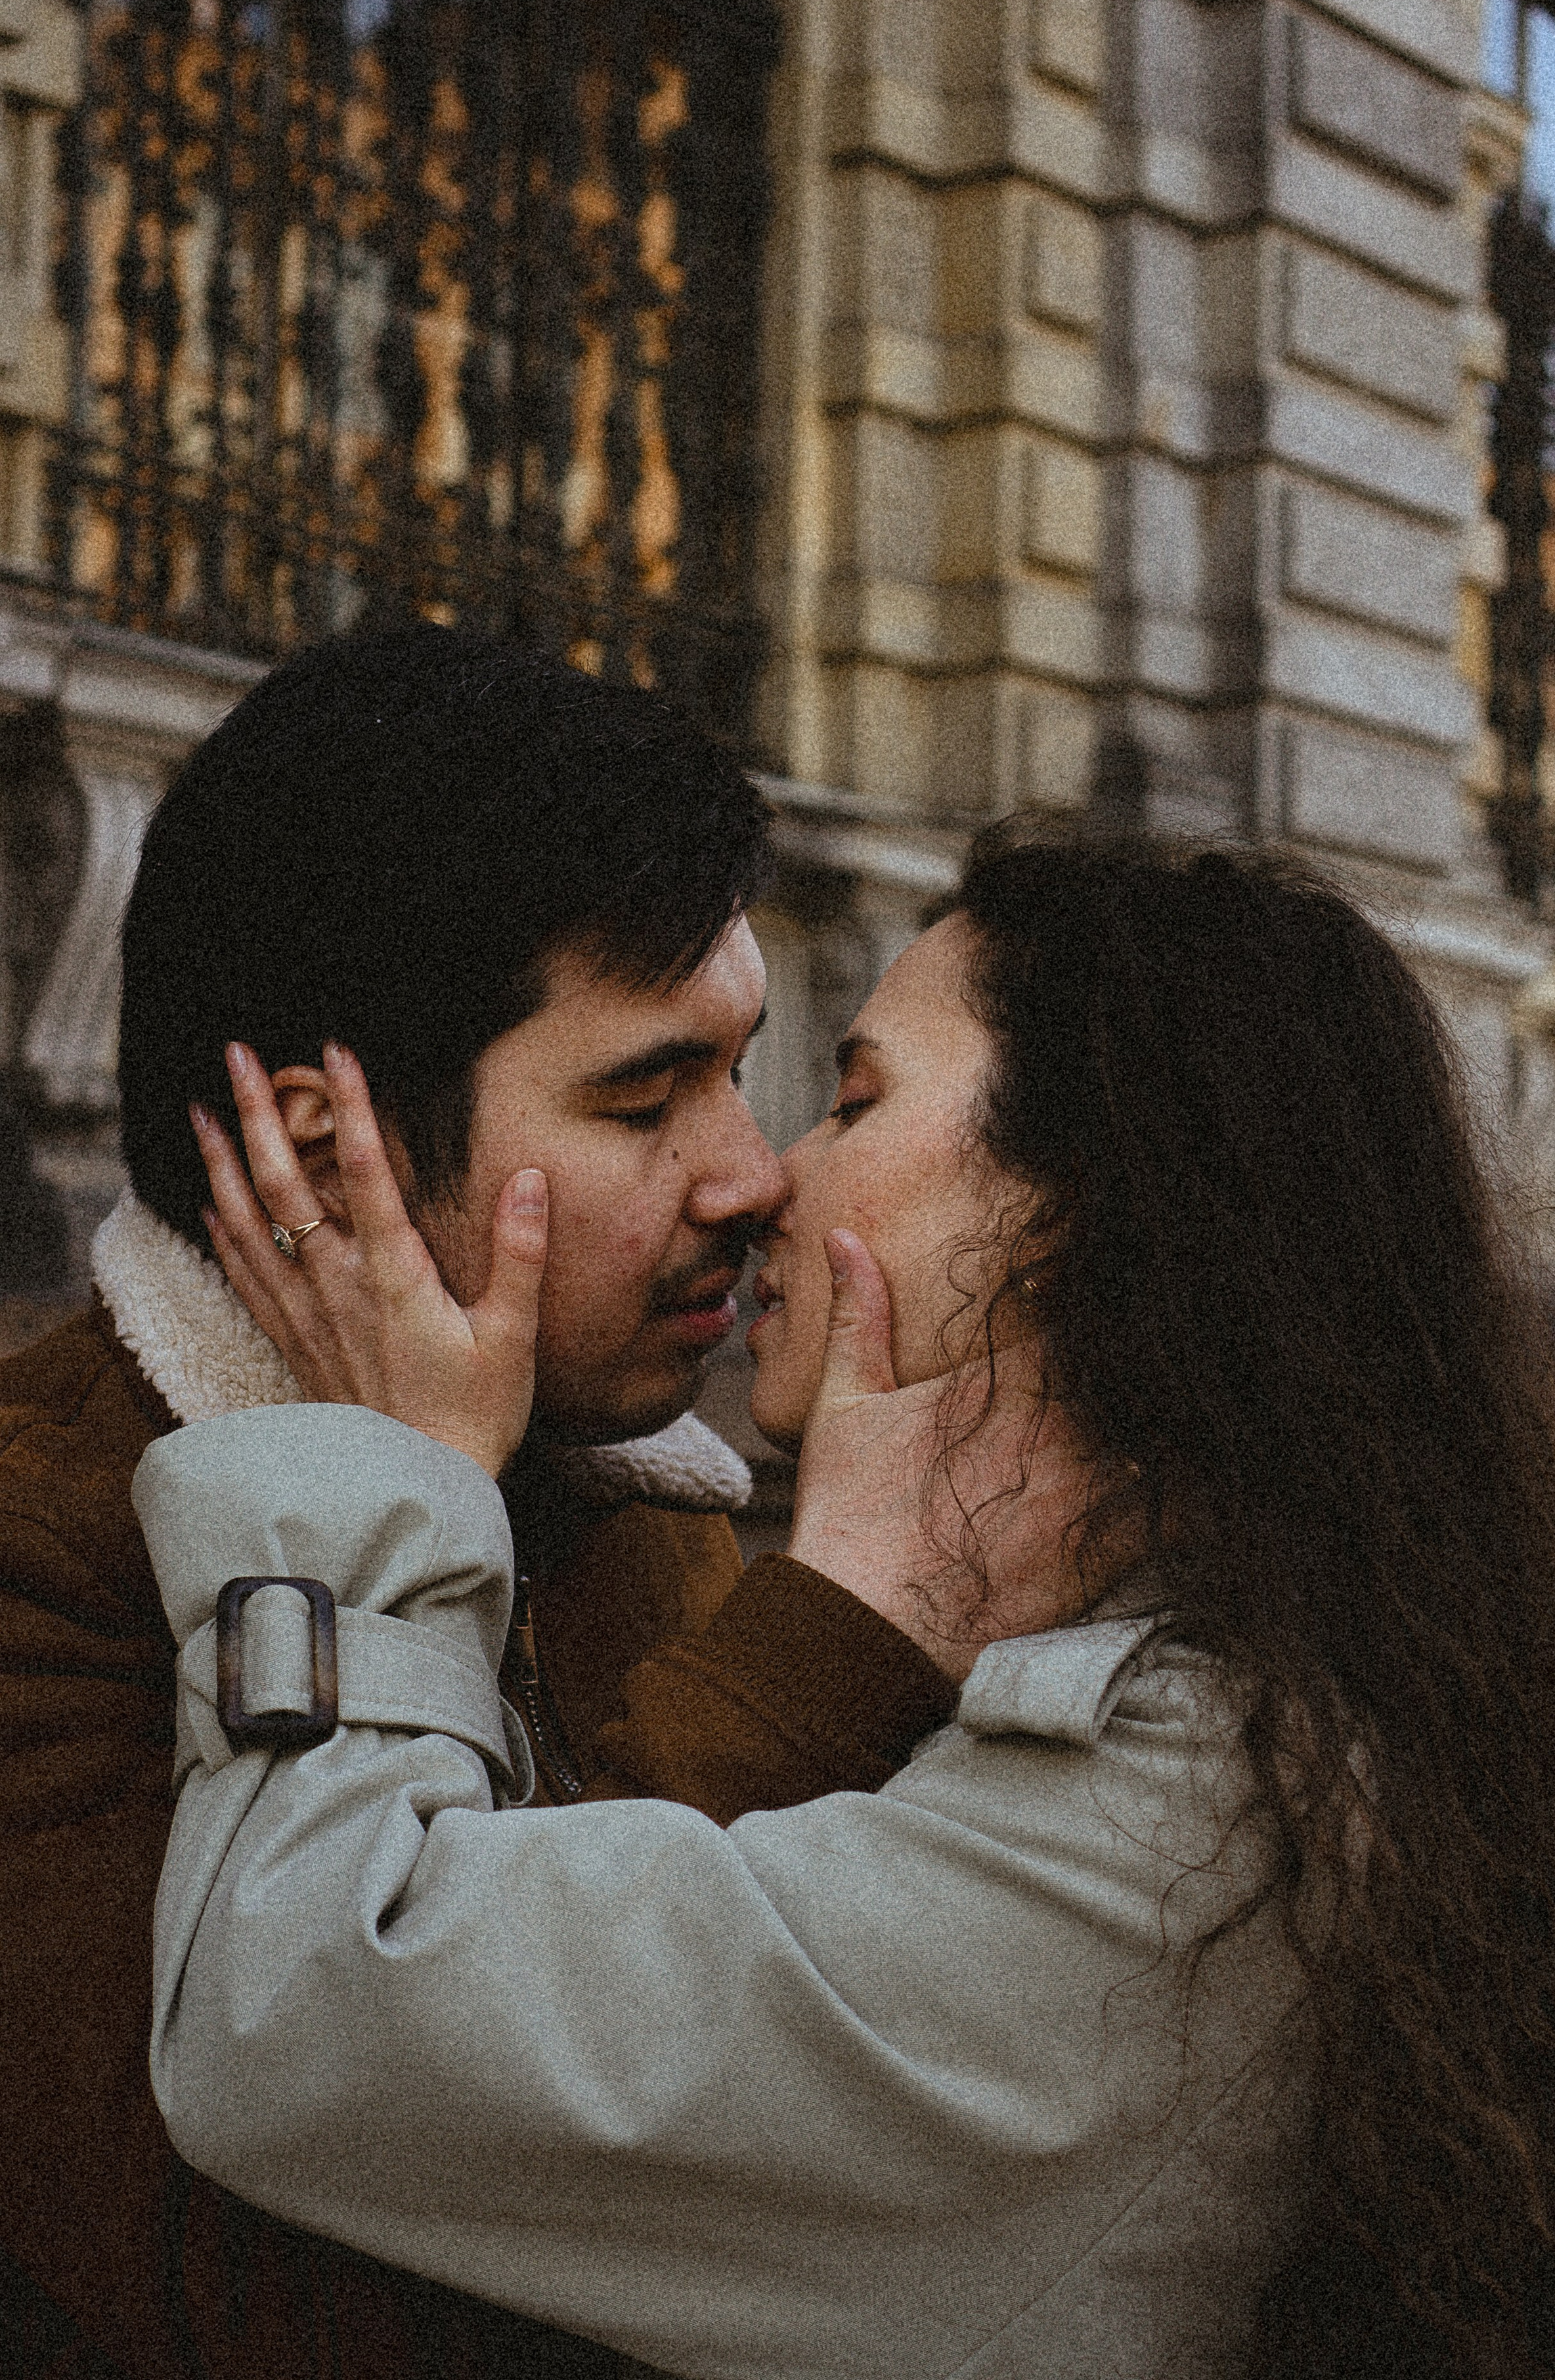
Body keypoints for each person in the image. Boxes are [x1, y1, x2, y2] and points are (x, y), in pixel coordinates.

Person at [139, 830, 1555, 2379]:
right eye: (647, 1098)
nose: (763, 1177)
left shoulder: (1166, 1842)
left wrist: (379, 1476)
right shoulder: (1249, 1692)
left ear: (1075, 1206)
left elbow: (294, 2016)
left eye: (852, 1098)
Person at [0, 628, 961, 2380]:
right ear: (313, 1153)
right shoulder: (44, 1550)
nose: (749, 1175)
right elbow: (311, 2304)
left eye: (742, 1071)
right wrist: (826, 1641)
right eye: (645, 1096)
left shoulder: (631, 1488)